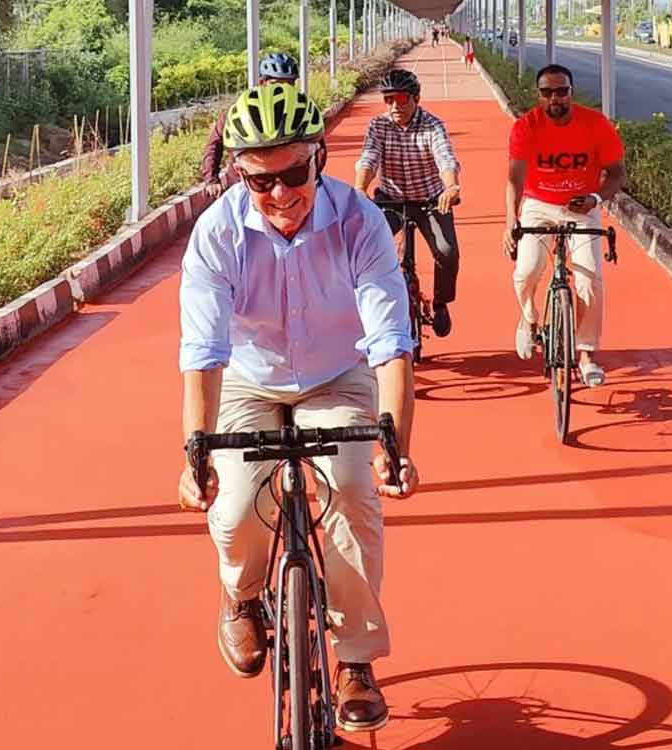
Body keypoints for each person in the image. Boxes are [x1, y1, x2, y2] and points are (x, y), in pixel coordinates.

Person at [178, 82, 420, 734]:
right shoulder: (217, 232)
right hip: (249, 383)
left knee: (350, 488)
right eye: (261, 182)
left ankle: (356, 660)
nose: (281, 194)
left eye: (294, 175)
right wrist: (195, 452)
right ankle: (242, 597)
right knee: (234, 505)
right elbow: (203, 351)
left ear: (319, 158)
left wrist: (396, 447)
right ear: (240, 175)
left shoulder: (359, 222)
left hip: (336, 377)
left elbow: (391, 342)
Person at [502, 64, 627, 387]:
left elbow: (617, 173)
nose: (554, 98)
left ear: (571, 92)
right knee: (526, 271)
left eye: (561, 91)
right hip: (539, 206)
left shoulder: (595, 124)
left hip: (582, 207)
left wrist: (595, 200)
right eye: (547, 92)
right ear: (538, 95)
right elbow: (514, 179)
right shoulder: (526, 127)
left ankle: (586, 354)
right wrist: (511, 220)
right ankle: (529, 319)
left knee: (590, 278)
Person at [354, 68, 462, 339]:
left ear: (416, 98)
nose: (394, 106)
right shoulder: (378, 125)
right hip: (390, 200)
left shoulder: (432, 125)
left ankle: (441, 303)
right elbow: (369, 158)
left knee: (447, 251)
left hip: (430, 201)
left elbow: (445, 158)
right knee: (364, 247)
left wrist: (451, 187)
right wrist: (360, 189)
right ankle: (372, 303)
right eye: (388, 99)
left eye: (401, 98)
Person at [201, 52, 300, 199]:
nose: (281, 90)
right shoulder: (239, 111)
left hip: (287, 186)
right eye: (276, 84)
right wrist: (211, 180)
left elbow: (316, 146)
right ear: (262, 83)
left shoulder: (299, 112)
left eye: (288, 85)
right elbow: (214, 145)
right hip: (244, 185)